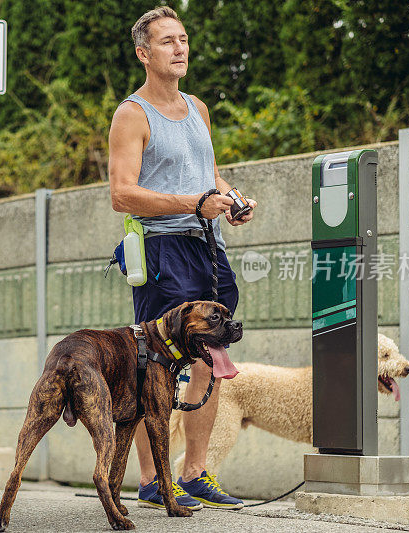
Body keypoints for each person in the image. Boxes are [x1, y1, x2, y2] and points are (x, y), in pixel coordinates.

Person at [107, 6, 257, 511]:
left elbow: (208, 174)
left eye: (184, 38)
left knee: (212, 356)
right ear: (143, 53)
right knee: (156, 365)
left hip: (206, 246)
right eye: (167, 41)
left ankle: (195, 472)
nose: (180, 48)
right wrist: (192, 204)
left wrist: (230, 200)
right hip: (161, 250)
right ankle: (152, 480)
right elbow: (122, 194)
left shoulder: (197, 108)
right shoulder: (132, 113)